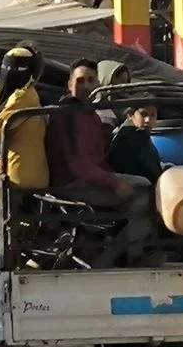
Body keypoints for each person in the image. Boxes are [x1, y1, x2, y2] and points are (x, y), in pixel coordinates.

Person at [44, 59, 152, 261]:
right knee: (144, 191)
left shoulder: (90, 114)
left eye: (90, 80)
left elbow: (98, 158)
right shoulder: (66, 113)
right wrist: (115, 182)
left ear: (98, 84)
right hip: (73, 185)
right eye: (80, 81)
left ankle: (112, 247)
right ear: (69, 85)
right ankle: (124, 258)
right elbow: (78, 165)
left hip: (90, 181)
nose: (85, 86)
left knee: (143, 185)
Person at [0, 43, 48, 191]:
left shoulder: (20, 98)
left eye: (16, 69)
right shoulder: (31, 94)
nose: (8, 73)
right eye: (6, 68)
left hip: (16, 179)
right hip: (35, 174)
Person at [108, 104, 164, 184]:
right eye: (143, 114)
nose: (148, 119)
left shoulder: (141, 134)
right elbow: (150, 170)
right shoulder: (129, 137)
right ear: (130, 115)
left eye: (152, 115)